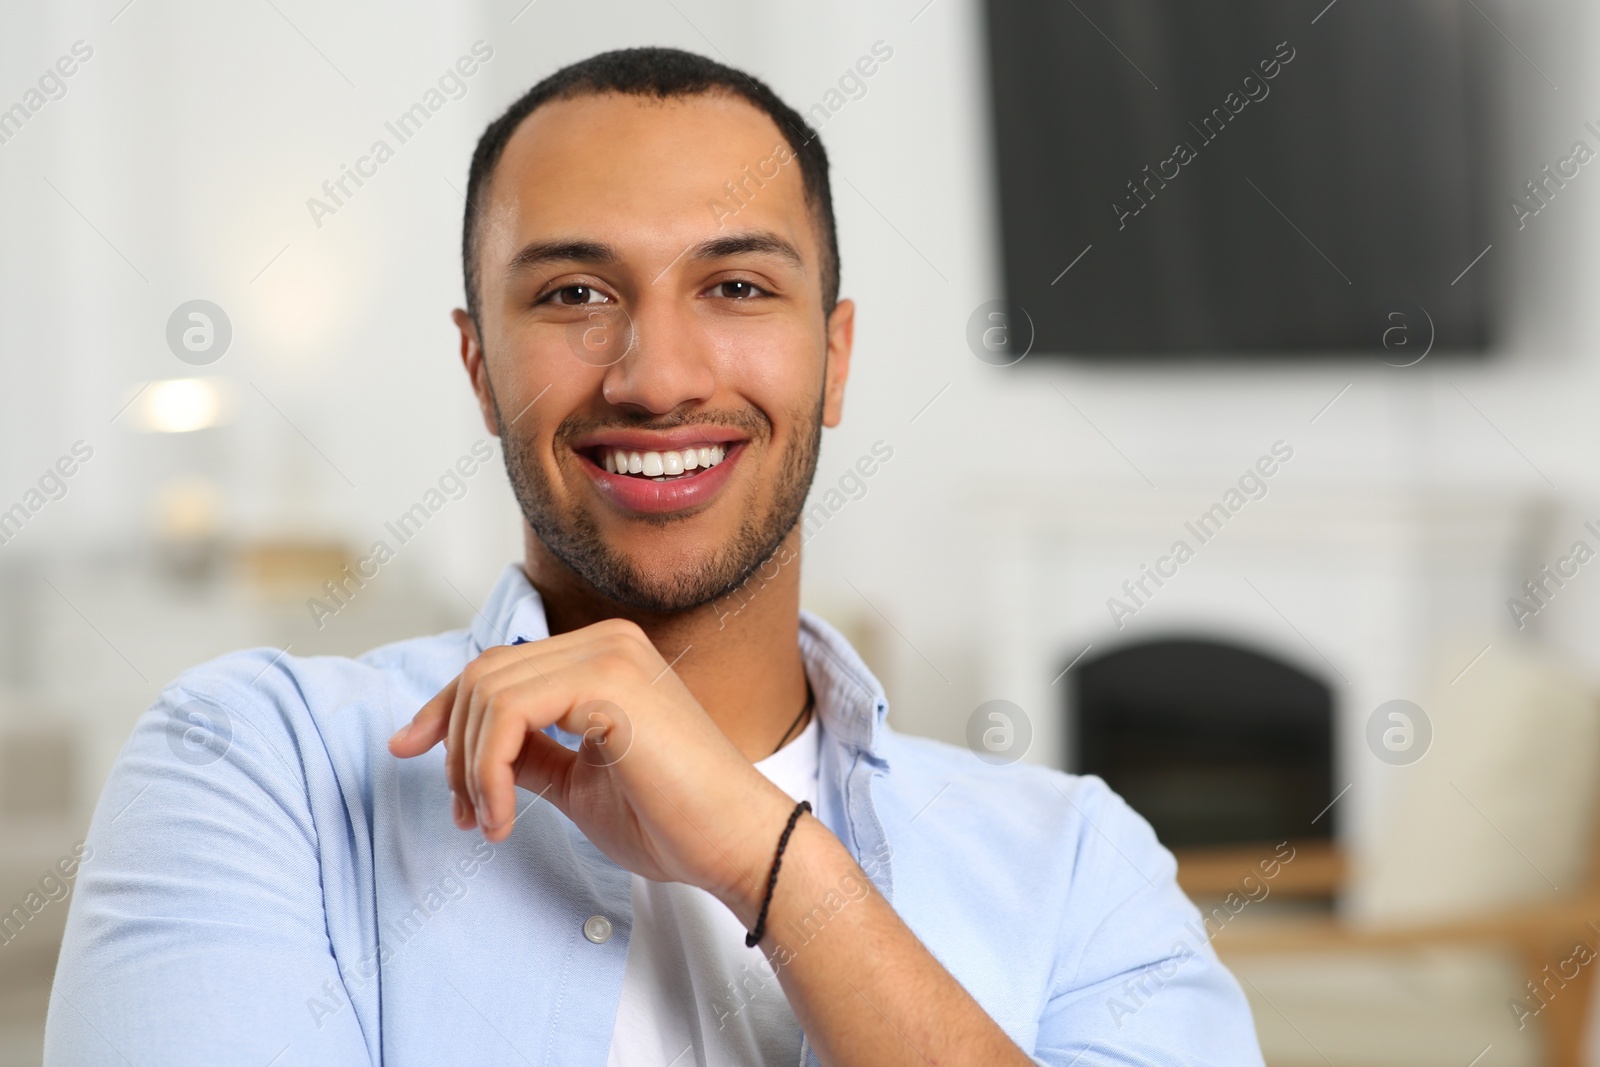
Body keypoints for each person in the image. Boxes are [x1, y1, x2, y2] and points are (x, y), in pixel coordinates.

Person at [45, 47, 1264, 1066]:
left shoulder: (1077, 860)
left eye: (735, 284)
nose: (659, 376)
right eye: (575, 293)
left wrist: (764, 856)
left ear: (834, 359)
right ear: (480, 369)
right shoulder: (256, 769)